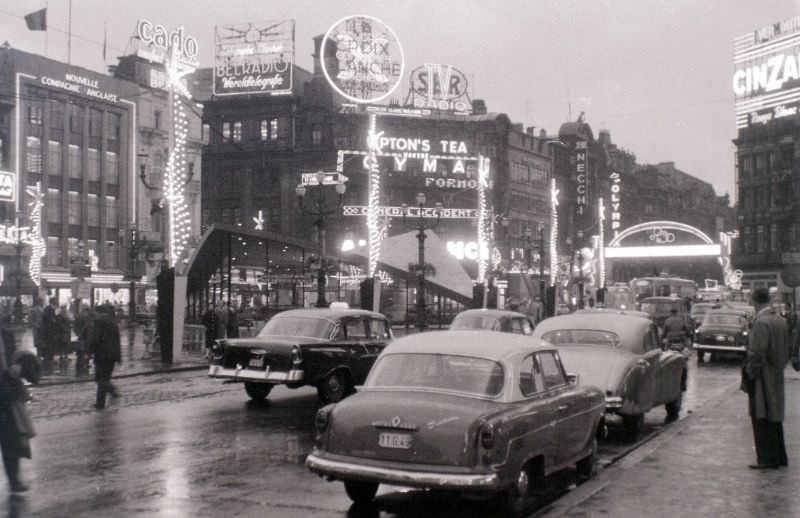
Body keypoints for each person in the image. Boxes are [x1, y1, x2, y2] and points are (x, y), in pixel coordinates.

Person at [743, 287, 790, 469]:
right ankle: (779, 457)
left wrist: (750, 374)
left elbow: (756, 354)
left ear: (754, 301)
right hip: (777, 373)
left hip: (763, 376)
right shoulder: (779, 320)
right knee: (774, 416)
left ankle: (766, 459)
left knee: (760, 416)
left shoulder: (761, 323)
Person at [0, 321, 41, 493]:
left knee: (11, 440)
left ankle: (14, 480)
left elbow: (13, 358)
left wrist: (17, 368)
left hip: (5, 393)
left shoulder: (5, 334)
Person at [89, 305, 121, 410]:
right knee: (105, 378)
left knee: (100, 379)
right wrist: (118, 356)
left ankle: (105, 397)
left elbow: (95, 338)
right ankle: (103, 399)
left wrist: (89, 351)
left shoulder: (98, 321)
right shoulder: (113, 322)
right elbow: (117, 340)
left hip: (102, 354)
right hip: (112, 355)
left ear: (98, 312)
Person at [73, 304, 94, 376]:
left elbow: (75, 327)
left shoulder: (78, 316)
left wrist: (78, 334)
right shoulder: (88, 317)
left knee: (80, 353)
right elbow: (89, 328)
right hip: (87, 337)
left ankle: (79, 366)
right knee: (86, 352)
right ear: (87, 309)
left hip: (80, 337)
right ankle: (85, 365)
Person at [41, 297, 58, 373]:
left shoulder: (53, 309)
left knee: (51, 344)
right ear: (52, 301)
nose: (56, 302)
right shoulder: (48, 308)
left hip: (52, 330)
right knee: (48, 344)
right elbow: (45, 317)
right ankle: (47, 359)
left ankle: (50, 358)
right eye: (55, 301)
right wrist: (52, 319)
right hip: (48, 330)